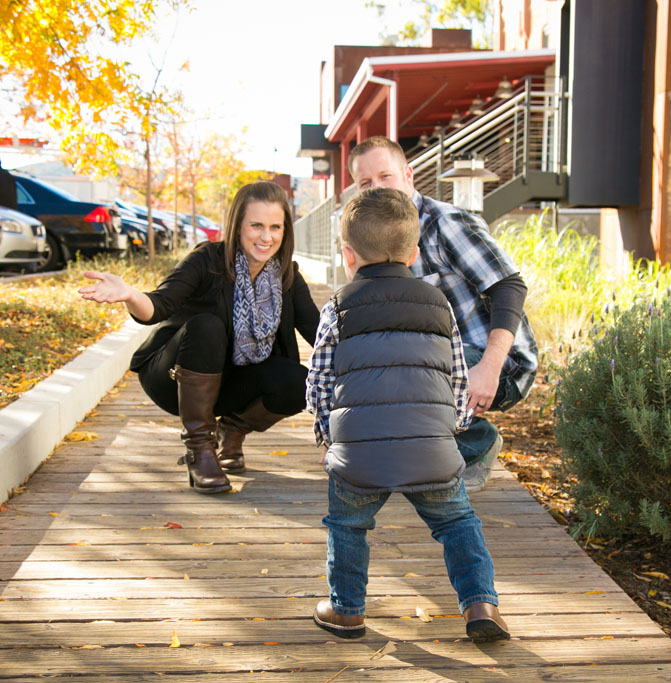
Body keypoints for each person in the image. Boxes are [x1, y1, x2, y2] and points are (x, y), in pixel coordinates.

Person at [306, 187, 509, 644]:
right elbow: (458, 378)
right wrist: (450, 431)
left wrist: (328, 438)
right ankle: (481, 604)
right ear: (414, 253)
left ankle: (346, 611)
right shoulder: (440, 306)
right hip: (431, 450)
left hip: (358, 454)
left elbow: (318, 381)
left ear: (348, 254)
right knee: (457, 522)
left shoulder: (337, 307)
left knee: (347, 525)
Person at [78, 181, 319, 494]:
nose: (266, 237)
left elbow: (319, 333)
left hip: (233, 382)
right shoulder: (208, 260)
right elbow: (158, 305)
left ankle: (231, 431)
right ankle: (199, 449)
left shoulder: (287, 275)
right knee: (206, 325)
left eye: (276, 227)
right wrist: (129, 295)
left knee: (300, 380)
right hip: (174, 379)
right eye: (256, 225)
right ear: (237, 226)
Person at [347, 136, 538, 492]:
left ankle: (477, 444)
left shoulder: (445, 223)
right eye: (365, 183)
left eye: (385, 176)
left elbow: (509, 287)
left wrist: (490, 368)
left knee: (401, 374)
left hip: (496, 362)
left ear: (408, 175)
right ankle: (430, 446)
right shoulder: (372, 237)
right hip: (435, 361)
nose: (377, 189)